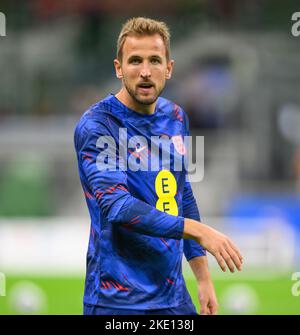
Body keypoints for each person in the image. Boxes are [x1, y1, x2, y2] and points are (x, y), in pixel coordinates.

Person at [74, 17, 243, 315]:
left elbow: (183, 195)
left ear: (169, 68)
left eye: (154, 60)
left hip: (173, 298)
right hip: (117, 301)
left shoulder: (176, 118)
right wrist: (198, 231)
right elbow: (117, 206)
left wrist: (203, 277)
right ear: (118, 68)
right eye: (135, 61)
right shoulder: (99, 125)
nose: (144, 72)